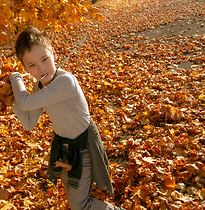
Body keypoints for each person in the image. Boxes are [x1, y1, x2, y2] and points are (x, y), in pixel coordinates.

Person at [8, 26, 123, 210]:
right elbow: (29, 122)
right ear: (26, 68)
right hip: (63, 147)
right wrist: (9, 99)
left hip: (82, 145)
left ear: (54, 54)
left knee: (79, 204)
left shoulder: (65, 82)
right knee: (73, 195)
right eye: (32, 65)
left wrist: (15, 79)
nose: (41, 68)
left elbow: (26, 102)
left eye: (44, 59)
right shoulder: (40, 86)